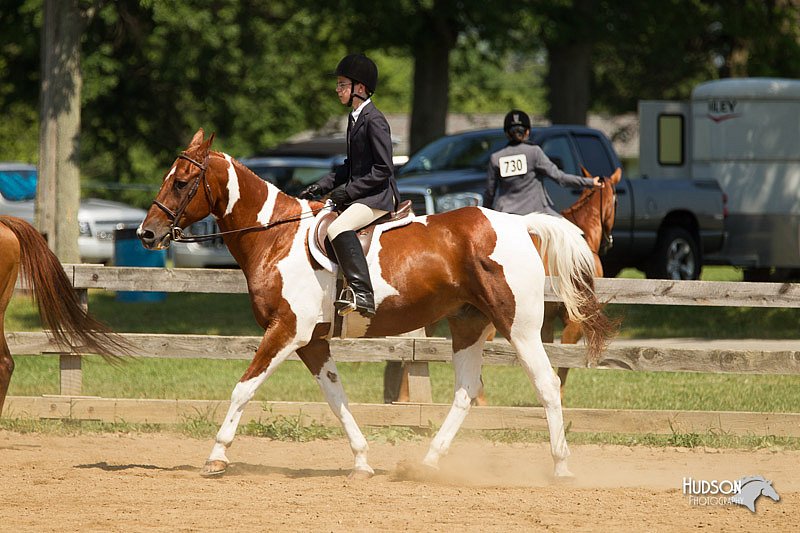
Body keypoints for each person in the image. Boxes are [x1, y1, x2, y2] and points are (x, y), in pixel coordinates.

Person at [298, 53, 399, 318]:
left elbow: (384, 169)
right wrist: (320, 186)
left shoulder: (374, 120)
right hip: (361, 195)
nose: (338, 90)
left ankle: (362, 292)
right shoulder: (355, 118)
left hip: (376, 197)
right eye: (339, 85)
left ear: (360, 88)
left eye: (343, 84)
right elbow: (349, 167)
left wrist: (350, 191)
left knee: (339, 226)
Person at [484, 109, 603, 217]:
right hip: (536, 214)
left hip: (505, 215)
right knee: (574, 234)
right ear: (527, 132)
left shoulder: (496, 158)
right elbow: (560, 178)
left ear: (506, 133)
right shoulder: (534, 152)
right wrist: (591, 182)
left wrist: (487, 215)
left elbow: (489, 193)